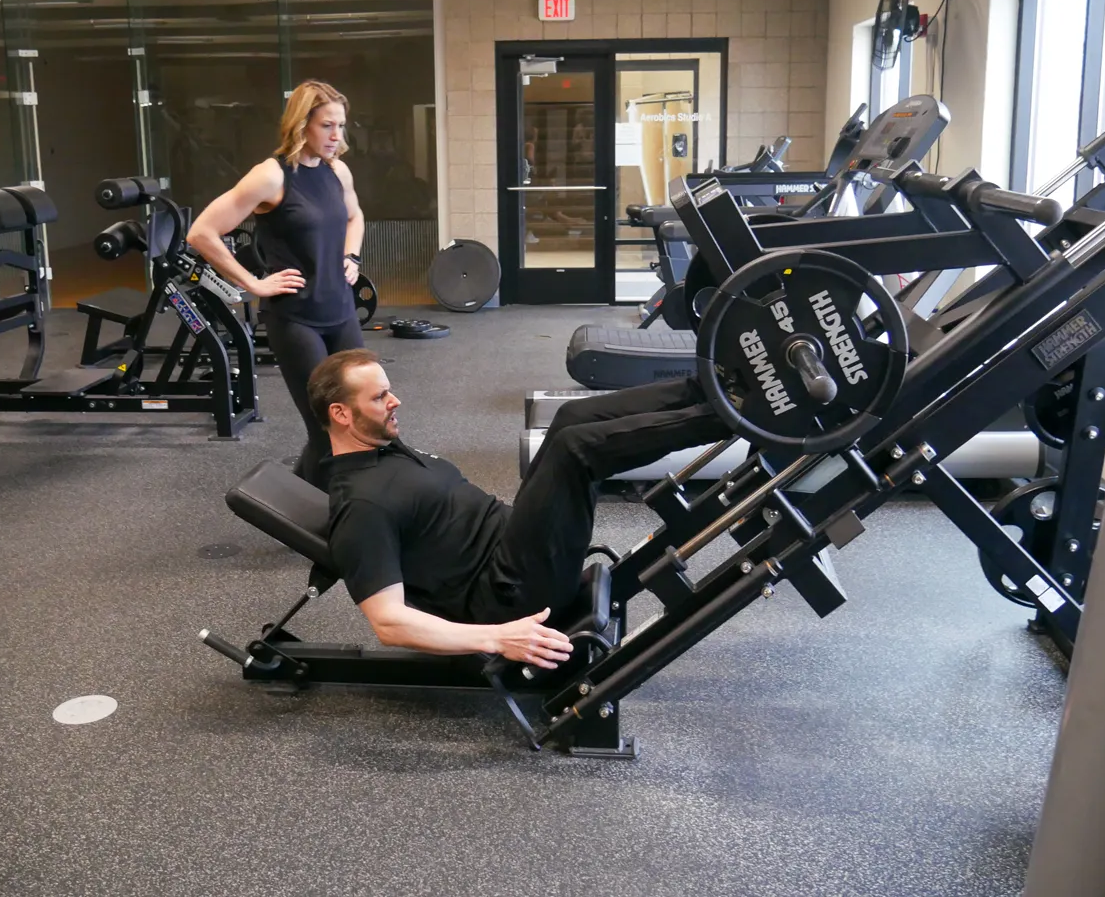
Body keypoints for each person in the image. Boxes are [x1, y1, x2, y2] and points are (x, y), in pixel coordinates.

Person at [304, 349, 731, 670]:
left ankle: (712, 387)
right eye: (380, 397)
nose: (395, 401)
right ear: (341, 414)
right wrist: (498, 639)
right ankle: (730, 416)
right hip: (511, 594)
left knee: (568, 417)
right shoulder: (361, 506)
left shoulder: (381, 447)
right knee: (574, 450)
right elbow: (389, 623)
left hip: (512, 546)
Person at [188, 80, 365, 490]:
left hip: (340, 311)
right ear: (302, 125)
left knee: (358, 415)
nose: (337, 136)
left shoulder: (337, 170)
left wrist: (351, 257)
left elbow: (355, 217)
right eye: (327, 126)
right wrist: (254, 284)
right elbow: (202, 233)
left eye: (341, 126)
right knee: (326, 427)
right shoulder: (270, 176)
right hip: (296, 318)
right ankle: (323, 522)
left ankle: (292, 504)